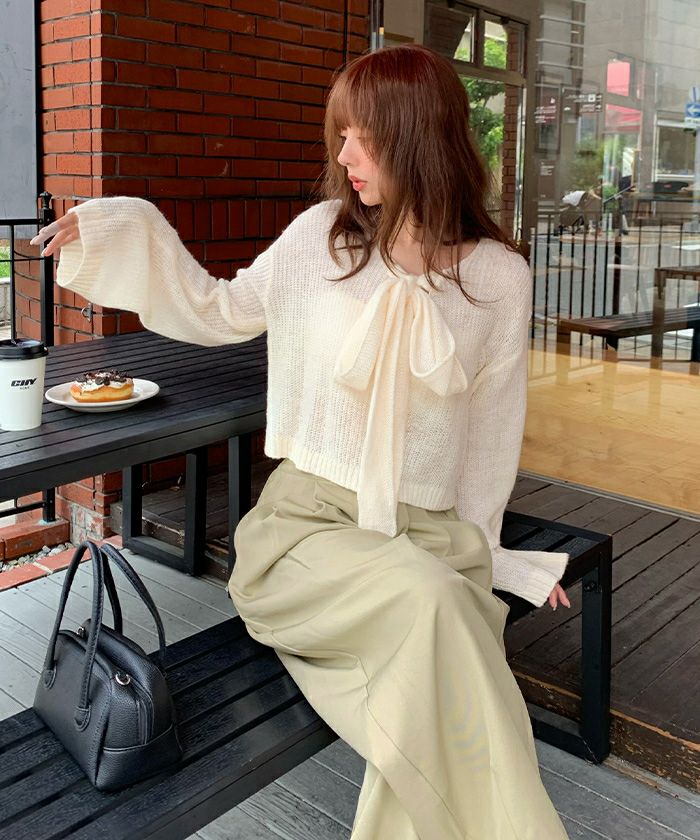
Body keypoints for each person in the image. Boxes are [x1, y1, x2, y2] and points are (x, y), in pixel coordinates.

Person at [32, 43, 572, 840]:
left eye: (364, 137)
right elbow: (215, 308)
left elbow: (492, 433)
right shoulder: (321, 239)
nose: (343, 156)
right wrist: (126, 227)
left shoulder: (497, 276)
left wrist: (487, 551)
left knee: (430, 643)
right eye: (340, 135)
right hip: (305, 535)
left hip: (424, 537)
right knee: (436, 611)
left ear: (420, 137)